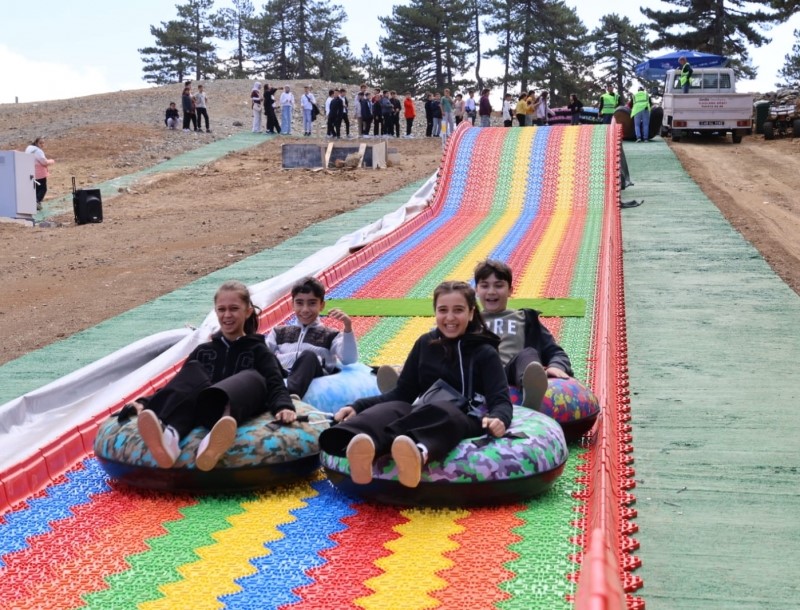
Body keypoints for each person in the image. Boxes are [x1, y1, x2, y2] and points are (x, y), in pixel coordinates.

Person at [319, 281, 512, 489]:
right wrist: (358, 406)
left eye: (458, 310)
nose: (450, 318)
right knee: (395, 408)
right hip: (424, 410)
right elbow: (403, 392)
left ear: (471, 313)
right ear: (435, 312)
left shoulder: (484, 352)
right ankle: (363, 445)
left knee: (444, 410)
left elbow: (500, 399)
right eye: (443, 310)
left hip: (465, 416)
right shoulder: (425, 343)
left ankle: (415, 453)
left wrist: (499, 418)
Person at [127, 280, 296, 471]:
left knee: (253, 377)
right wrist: (144, 402)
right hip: (204, 408)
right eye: (221, 309)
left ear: (248, 312)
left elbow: (275, 383)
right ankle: (170, 438)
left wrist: (283, 406)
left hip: (235, 409)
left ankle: (214, 439)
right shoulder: (204, 350)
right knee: (192, 370)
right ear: (215, 312)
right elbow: (178, 384)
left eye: (234, 309)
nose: (227, 315)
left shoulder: (258, 350)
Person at [473, 260, 573, 410]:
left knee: (528, 354)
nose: (491, 291)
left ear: (510, 290)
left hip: (510, 373)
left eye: (499, 285)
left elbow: (555, 351)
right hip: (479, 375)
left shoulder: (525, 319)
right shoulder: (469, 321)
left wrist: (555, 365)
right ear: (476, 290)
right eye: (485, 285)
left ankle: (530, 393)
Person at [265, 276, 358, 399]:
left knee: (308, 356)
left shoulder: (330, 335)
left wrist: (347, 327)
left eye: (312, 303)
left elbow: (349, 359)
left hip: (313, 375)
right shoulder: (279, 332)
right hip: (284, 374)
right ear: (292, 304)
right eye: (299, 303)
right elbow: (263, 356)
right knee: (264, 354)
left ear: (321, 305)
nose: (305, 309)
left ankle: (290, 396)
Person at [25, 137, 54, 210]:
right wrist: (51, 161)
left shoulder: (29, 148)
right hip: (39, 173)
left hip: (30, 172)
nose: (42, 144)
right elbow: (44, 162)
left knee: (35, 189)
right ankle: (36, 202)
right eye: (40, 143)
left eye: (43, 143)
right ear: (36, 143)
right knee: (43, 189)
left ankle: (34, 203)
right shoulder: (38, 151)